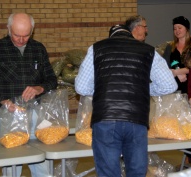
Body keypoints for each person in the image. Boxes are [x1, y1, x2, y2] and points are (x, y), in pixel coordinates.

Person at [75, 24, 177, 177]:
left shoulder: (96, 49)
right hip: (136, 119)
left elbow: (81, 87)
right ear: (130, 34)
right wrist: (141, 89)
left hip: (105, 119)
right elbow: (169, 85)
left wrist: (104, 90)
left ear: (111, 36)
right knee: (137, 172)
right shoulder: (148, 50)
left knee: (108, 172)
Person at [0, 12, 57, 177]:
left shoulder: (38, 49)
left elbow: (51, 80)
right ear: (8, 29)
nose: (21, 40)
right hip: (9, 117)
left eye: (26, 35)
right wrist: (3, 101)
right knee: (12, 168)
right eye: (16, 35)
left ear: (32, 31)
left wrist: (39, 88)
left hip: (36, 116)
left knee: (43, 168)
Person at [161, 15, 191, 169]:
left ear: (187, 29)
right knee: (184, 123)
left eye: (180, 28)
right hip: (178, 90)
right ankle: (189, 158)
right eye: (175, 28)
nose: (177, 31)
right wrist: (176, 72)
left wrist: (180, 71)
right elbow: (164, 66)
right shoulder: (171, 47)